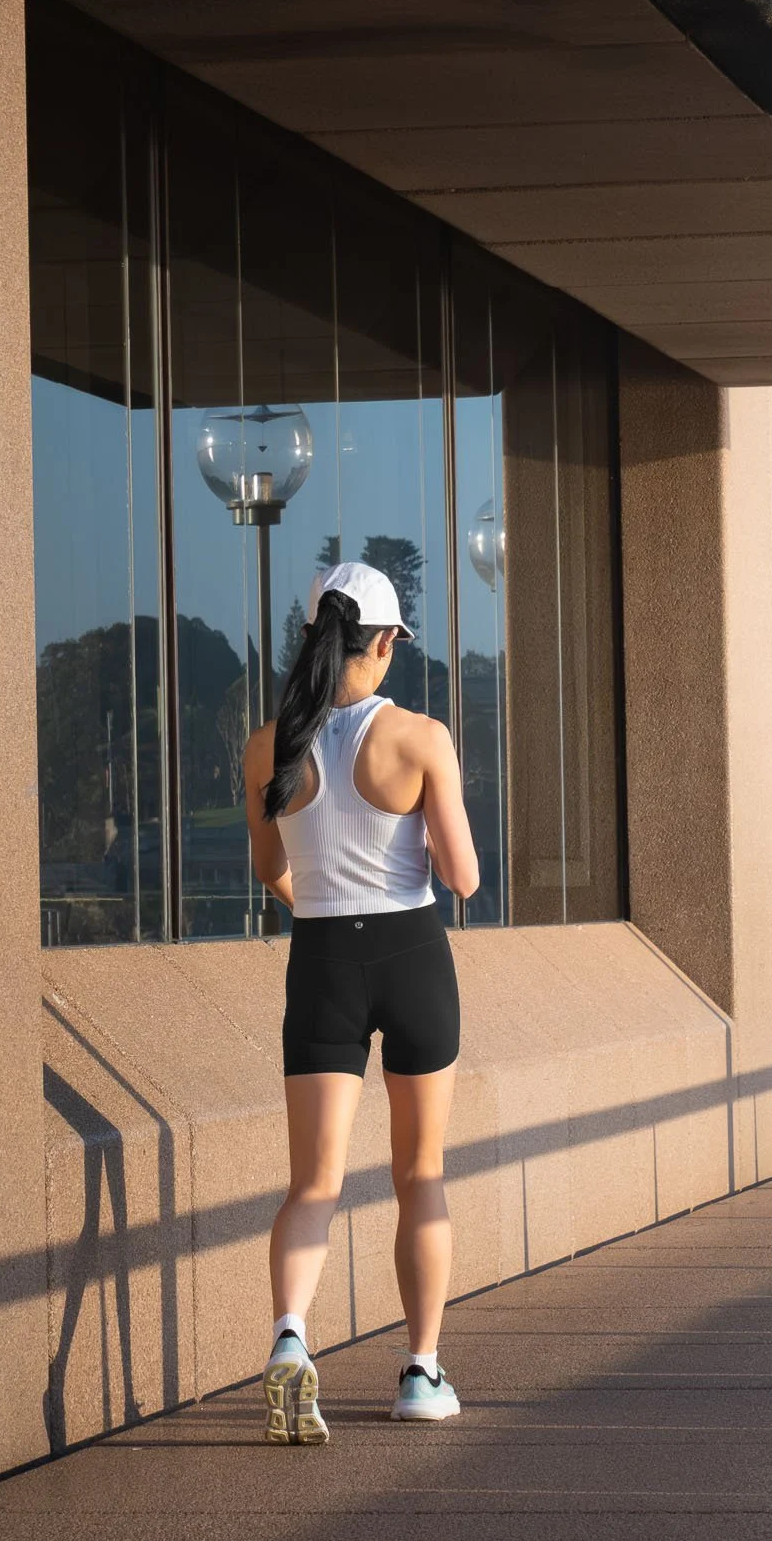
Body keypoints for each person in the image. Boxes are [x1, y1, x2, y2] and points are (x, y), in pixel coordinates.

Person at [243, 560, 481, 1443]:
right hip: (411, 954)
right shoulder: (421, 737)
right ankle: (420, 1372)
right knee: (418, 1174)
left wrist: (326, 903)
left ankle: (290, 1340)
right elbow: (460, 877)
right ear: (383, 643)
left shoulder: (269, 745)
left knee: (313, 1180)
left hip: (320, 961)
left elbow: (274, 873)